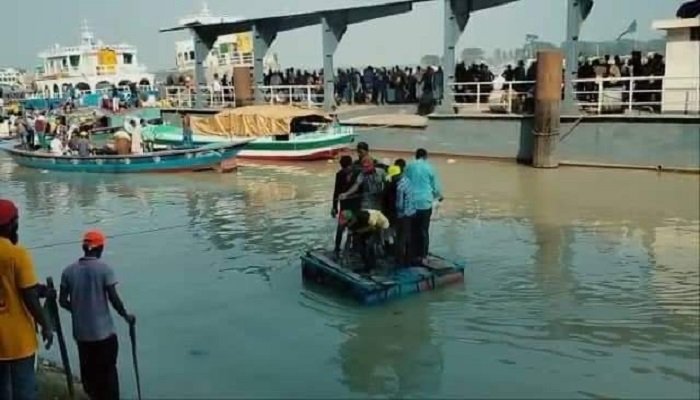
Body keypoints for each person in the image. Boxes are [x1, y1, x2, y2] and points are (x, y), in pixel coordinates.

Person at [59, 229, 135, 400]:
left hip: (82, 334)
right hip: (104, 334)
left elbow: (62, 301)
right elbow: (113, 298)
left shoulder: (68, 271)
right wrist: (125, 315)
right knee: (108, 374)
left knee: (89, 373)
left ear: (84, 248)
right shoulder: (104, 270)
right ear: (99, 248)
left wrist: (78, 309)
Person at [0, 199, 54, 400]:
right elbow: (28, 295)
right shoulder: (17, 254)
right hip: (18, 340)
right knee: (24, 392)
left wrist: (39, 290)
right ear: (11, 224)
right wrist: (46, 324)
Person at [404, 148, 443, 265]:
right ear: (426, 156)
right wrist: (439, 196)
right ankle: (423, 255)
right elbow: (435, 186)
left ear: (416, 156)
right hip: (425, 202)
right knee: (423, 230)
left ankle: (411, 254)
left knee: (412, 229)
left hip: (411, 202)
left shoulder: (409, 166)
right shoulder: (430, 167)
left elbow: (405, 182)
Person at [390, 163, 416, 266]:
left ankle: (399, 261)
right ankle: (409, 259)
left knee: (400, 238)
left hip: (402, 215)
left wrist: (394, 214)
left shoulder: (400, 187)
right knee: (408, 237)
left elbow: (399, 204)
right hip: (411, 212)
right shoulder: (408, 181)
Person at [331, 155, 357, 256]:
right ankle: (342, 248)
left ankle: (342, 248)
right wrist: (334, 207)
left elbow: (336, 191)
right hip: (349, 205)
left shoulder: (354, 174)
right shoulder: (345, 174)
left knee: (346, 228)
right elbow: (336, 191)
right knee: (346, 228)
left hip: (350, 205)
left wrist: (334, 206)